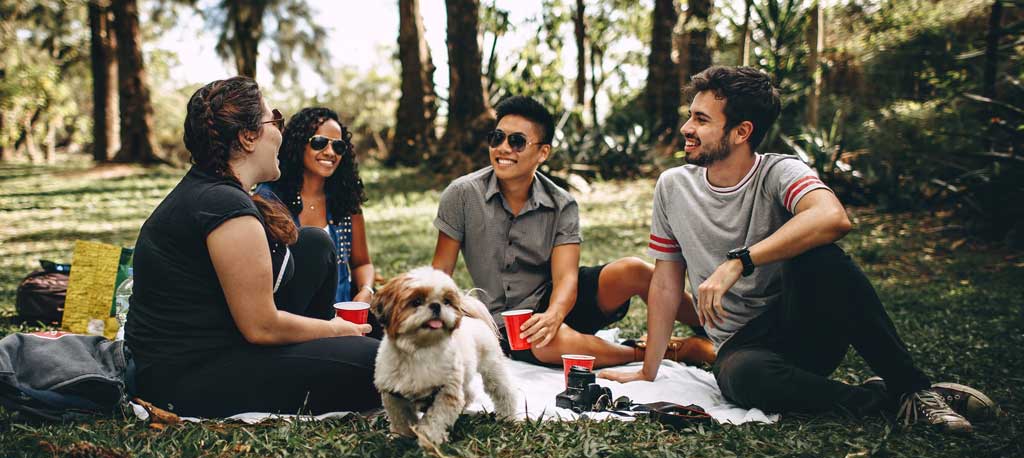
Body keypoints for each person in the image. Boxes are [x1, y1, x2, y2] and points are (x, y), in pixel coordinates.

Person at [600, 66, 996, 433]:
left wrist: (740, 261)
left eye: (701, 120)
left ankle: (913, 386)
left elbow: (832, 217)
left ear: (741, 132)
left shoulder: (779, 171)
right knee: (744, 379)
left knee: (822, 256)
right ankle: (892, 400)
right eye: (691, 114)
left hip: (804, 327)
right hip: (743, 349)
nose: (686, 127)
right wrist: (648, 371)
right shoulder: (673, 186)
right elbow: (667, 283)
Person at [126, 77, 381, 418]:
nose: (280, 131)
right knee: (380, 365)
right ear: (248, 137)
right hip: (189, 375)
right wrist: (337, 329)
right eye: (274, 120)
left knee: (314, 244)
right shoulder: (223, 206)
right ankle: (337, 349)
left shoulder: (219, 191)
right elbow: (261, 327)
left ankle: (330, 349)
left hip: (225, 340)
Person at [431, 95, 716, 368]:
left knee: (634, 270)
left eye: (517, 141)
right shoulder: (462, 195)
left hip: (558, 300)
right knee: (546, 343)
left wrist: (554, 315)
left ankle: (717, 331)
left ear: (543, 152)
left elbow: (566, 277)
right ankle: (668, 351)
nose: (503, 148)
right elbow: (440, 273)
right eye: (497, 138)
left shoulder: (562, 203)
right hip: (506, 323)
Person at [254, 107, 375, 305]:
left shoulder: (344, 200)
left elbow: (362, 263)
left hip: (343, 316)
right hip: (291, 317)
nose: (330, 152)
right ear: (298, 144)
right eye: (319, 143)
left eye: (338, 146)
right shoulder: (269, 199)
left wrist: (366, 291)